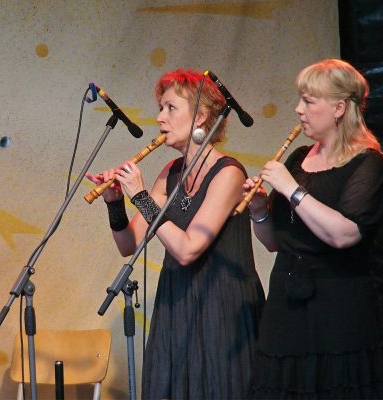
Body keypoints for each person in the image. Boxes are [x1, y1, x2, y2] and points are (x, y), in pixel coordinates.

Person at [87, 69, 265, 399]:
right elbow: (130, 244)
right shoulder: (170, 173)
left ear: (200, 116)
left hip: (221, 307)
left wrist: (139, 196)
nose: (159, 118)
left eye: (170, 108)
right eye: (160, 108)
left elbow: (188, 249)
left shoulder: (228, 173)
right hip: (179, 304)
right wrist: (115, 204)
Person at [244, 59, 383, 399]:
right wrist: (259, 211)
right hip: (287, 304)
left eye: (309, 102)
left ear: (339, 108)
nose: (298, 110)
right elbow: (275, 243)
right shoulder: (298, 158)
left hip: (337, 309)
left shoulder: (369, 163)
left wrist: (292, 190)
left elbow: (344, 233)